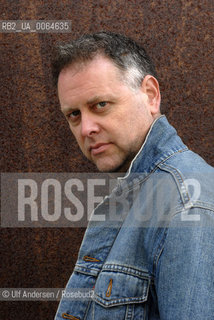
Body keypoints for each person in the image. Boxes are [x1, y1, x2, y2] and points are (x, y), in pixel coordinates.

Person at [52, 32, 214, 320]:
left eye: (100, 104)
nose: (86, 128)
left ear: (150, 95)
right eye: (73, 114)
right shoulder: (142, 191)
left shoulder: (187, 203)